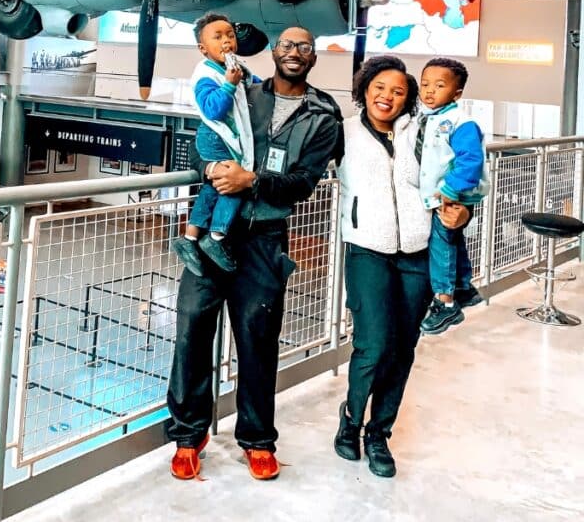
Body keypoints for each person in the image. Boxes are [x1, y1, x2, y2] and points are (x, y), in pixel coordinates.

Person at [167, 26, 342, 482]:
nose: (294, 53)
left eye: (305, 47)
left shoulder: (323, 114)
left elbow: (303, 183)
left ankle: (258, 440)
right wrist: (209, 168)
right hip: (211, 238)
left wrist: (253, 182)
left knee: (258, 339)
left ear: (313, 57)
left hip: (264, 238)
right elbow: (199, 138)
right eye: (286, 45)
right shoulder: (241, 88)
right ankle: (189, 435)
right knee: (191, 329)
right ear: (274, 52)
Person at [333, 56, 469, 479]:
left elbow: (454, 174)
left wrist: (462, 211)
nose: (386, 97)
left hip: (417, 249)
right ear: (365, 88)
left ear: (409, 98)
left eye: (398, 91)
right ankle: (351, 418)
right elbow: (303, 169)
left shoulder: (422, 131)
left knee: (402, 347)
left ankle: (378, 433)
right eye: (379, 87)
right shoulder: (344, 133)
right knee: (373, 345)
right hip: (366, 247)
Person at [171, 13, 256, 276]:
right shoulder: (205, 75)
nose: (226, 41)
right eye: (217, 37)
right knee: (233, 183)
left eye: (230, 35)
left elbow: (257, 86)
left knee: (213, 186)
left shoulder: (234, 69)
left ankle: (191, 236)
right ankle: (216, 238)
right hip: (214, 137)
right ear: (202, 48)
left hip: (218, 137)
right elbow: (213, 110)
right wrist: (229, 86)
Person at [415, 58, 488, 335]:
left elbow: (471, 160)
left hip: (451, 195)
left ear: (457, 93)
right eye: (425, 84)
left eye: (439, 85)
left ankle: (445, 303)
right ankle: (463, 287)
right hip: (442, 194)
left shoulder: (461, 121)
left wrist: (450, 189)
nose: (429, 90)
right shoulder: (430, 117)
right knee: (452, 240)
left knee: (442, 243)